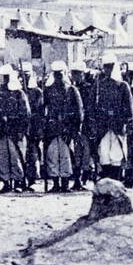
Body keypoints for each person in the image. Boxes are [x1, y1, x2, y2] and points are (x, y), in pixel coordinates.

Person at [89, 52, 133, 180]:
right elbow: (91, 105)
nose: (108, 69)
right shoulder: (99, 85)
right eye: (106, 67)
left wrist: (130, 123)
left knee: (116, 154)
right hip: (103, 125)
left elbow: (129, 106)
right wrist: (93, 122)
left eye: (110, 66)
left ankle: (116, 179)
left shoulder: (123, 86)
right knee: (103, 153)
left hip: (118, 124)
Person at [41, 61, 83, 191]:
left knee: (66, 157)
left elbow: (79, 111)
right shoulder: (48, 90)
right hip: (52, 129)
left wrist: (76, 129)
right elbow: (43, 109)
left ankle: (65, 183)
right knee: (52, 156)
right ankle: (55, 183)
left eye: (60, 74)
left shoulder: (72, 90)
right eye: (56, 74)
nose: (58, 77)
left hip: (67, 129)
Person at [0, 64, 32, 192]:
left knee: (16, 157)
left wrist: (21, 129)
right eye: (4, 77)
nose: (6, 79)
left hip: (15, 129)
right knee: (2, 157)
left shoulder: (19, 93)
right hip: (1, 130)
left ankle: (19, 181)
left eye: (8, 77)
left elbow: (25, 113)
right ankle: (6, 182)